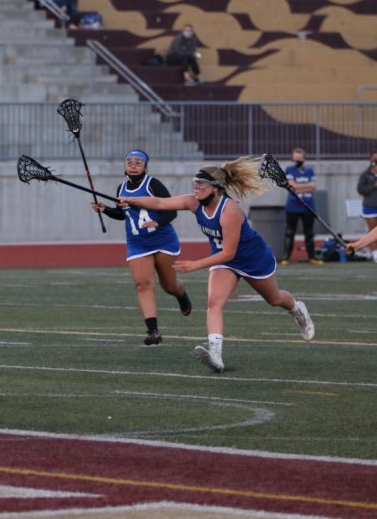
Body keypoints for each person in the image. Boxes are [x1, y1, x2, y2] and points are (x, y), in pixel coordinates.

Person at [120, 157, 314, 373]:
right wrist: (131, 200)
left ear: (216, 189)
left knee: (274, 298)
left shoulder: (230, 211)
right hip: (224, 262)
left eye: (201, 184)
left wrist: (196, 265)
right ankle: (216, 355)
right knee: (214, 303)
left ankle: (298, 309)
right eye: (194, 183)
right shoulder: (194, 202)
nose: (196, 188)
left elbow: (229, 252)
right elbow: (160, 203)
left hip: (252, 259)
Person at [90, 150, 192, 346]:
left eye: (139, 161)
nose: (133, 164)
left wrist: (157, 222)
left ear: (146, 166)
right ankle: (153, 331)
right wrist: (106, 209)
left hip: (163, 241)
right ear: (125, 166)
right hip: (138, 244)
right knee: (143, 284)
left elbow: (172, 211)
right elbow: (123, 215)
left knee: (168, 286)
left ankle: (181, 294)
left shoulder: (153, 184)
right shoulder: (121, 188)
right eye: (129, 161)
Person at [280, 148, 322, 266]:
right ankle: (286, 257)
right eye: (295, 158)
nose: (297, 160)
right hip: (293, 206)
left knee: (309, 233)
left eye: (299, 158)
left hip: (308, 206)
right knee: (290, 232)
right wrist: (304, 186)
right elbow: (292, 186)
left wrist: (299, 186)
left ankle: (312, 257)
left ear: (304, 158)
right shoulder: (289, 169)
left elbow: (313, 187)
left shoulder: (309, 170)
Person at [356, 151, 377, 262]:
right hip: (370, 206)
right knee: (372, 231)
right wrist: (374, 185)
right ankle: (375, 254)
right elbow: (361, 190)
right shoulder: (366, 174)